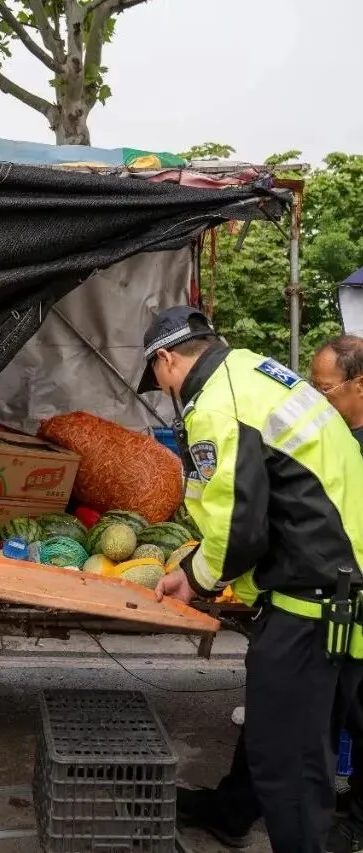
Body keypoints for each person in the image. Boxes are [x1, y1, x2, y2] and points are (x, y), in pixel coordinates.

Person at [138, 307, 363, 853]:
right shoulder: (255, 371)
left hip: (313, 602)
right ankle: (232, 811)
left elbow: (239, 527)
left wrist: (194, 577)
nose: (165, 388)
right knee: (292, 732)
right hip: (342, 583)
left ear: (167, 358)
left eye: (159, 377)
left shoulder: (216, 403)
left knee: (288, 760)